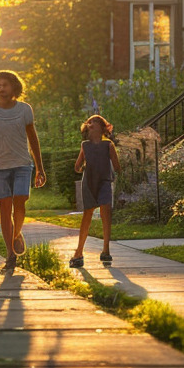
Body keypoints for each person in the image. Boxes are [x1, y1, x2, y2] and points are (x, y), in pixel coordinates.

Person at [0, 70, 46, 272]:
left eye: (4, 85)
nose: (0, 89)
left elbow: (33, 139)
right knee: (5, 209)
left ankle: (16, 234)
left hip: (22, 163)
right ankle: (10, 254)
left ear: (14, 87)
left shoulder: (25, 110)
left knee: (20, 200)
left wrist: (40, 167)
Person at [70, 113, 122, 268]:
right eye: (89, 122)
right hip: (89, 183)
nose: (91, 124)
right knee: (88, 214)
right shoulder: (85, 145)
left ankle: (106, 250)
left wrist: (117, 172)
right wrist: (81, 167)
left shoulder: (108, 145)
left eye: (95, 122)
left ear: (102, 127)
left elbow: (117, 165)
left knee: (106, 212)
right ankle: (78, 252)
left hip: (105, 182)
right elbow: (77, 166)